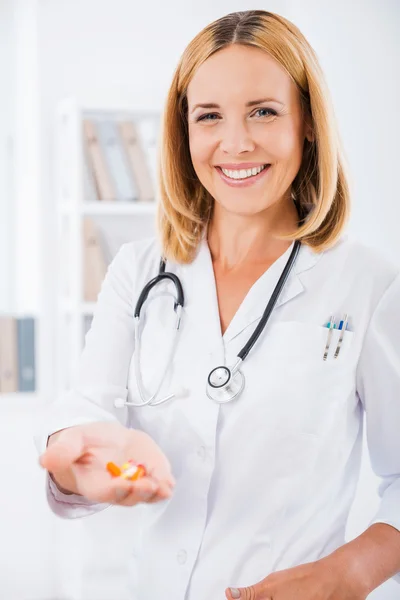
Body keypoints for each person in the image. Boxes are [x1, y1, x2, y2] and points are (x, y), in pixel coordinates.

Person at [36, 9, 400, 600]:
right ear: (183, 131)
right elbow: (87, 410)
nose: (236, 143)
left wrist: (351, 572)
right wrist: (76, 456)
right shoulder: (139, 271)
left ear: (306, 123)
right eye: (209, 116)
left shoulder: (369, 285)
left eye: (264, 111)